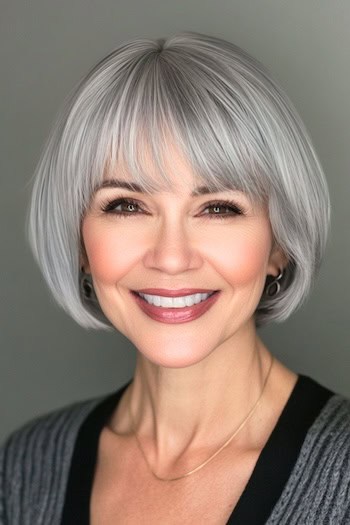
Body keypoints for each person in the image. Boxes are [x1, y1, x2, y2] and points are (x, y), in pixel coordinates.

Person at [0, 31, 349, 525]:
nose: (171, 257)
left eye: (219, 208)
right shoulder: (26, 469)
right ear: (80, 242)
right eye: (126, 205)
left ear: (278, 245)